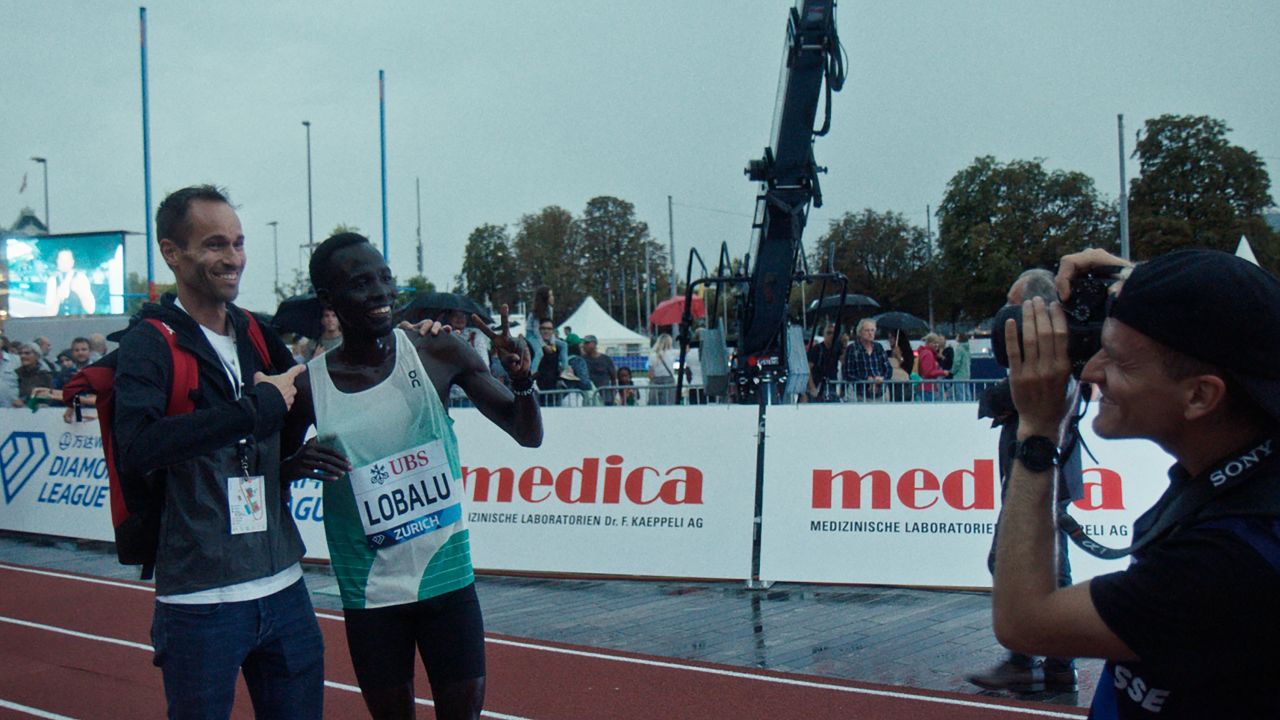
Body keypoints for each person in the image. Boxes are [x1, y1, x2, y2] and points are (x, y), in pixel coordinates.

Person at [993, 247, 1280, 717]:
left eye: (1119, 361)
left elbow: (1024, 621)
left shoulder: (1230, 560)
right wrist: (1142, 278)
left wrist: (1038, 432)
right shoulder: (1249, 470)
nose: (1090, 371)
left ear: (1201, 395)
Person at [287, 231, 542, 720]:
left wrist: (523, 380)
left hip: (447, 579)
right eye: (361, 283)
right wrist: (293, 464)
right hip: (371, 590)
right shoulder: (309, 386)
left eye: (385, 278)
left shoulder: (437, 353)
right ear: (329, 298)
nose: (381, 292)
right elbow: (269, 471)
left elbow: (526, 433)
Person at [113, 185, 323, 719]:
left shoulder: (254, 330)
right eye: (214, 245)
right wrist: (252, 409)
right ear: (172, 252)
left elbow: (293, 403)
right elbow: (137, 447)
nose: (233, 259)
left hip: (284, 587)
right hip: (202, 603)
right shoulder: (150, 343)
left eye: (238, 242)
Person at [970, 268, 1083, 694]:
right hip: (1035, 476)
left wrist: (1008, 404)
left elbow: (997, 400)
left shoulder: (1056, 364)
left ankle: (1035, 659)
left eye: (1013, 305)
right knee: (1046, 565)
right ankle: (1051, 662)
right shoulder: (1049, 364)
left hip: (1043, 478)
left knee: (1022, 562)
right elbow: (992, 402)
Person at [843, 319, 891, 401]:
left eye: (872, 330)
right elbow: (848, 373)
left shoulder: (879, 347)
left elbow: (888, 369)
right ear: (860, 332)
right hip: (859, 395)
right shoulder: (852, 348)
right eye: (867, 330)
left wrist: (882, 379)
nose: (870, 333)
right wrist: (866, 380)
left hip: (880, 393)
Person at [44, 248, 96, 315]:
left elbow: (91, 310)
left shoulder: (81, 278)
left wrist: (80, 293)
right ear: (57, 261)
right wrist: (57, 298)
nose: (64, 263)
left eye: (67, 260)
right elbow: (49, 313)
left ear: (72, 262)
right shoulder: (52, 281)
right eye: (61, 260)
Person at [533, 318, 568, 406]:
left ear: (553, 331)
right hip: (536, 391)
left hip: (553, 391)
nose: (546, 331)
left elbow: (560, 366)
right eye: (543, 328)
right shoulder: (532, 347)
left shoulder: (558, 347)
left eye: (549, 329)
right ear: (539, 330)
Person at [807, 323, 843, 402]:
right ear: (823, 334)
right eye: (829, 333)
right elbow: (808, 369)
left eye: (834, 333)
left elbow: (844, 361)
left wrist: (844, 345)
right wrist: (812, 387)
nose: (831, 335)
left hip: (832, 385)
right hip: (818, 386)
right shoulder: (817, 349)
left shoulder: (837, 348)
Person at [524, 285, 555, 372]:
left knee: (563, 345)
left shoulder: (550, 310)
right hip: (532, 335)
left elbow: (550, 327)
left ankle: (564, 370)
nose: (553, 297)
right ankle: (531, 374)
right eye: (551, 295)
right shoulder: (535, 312)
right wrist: (544, 345)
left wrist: (552, 342)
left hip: (545, 334)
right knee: (539, 353)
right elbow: (536, 331)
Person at [581, 335, 617, 406]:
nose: (584, 346)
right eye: (584, 344)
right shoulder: (581, 360)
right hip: (589, 396)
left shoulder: (606, 359)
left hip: (605, 396)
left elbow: (613, 378)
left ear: (594, 344)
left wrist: (613, 393)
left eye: (587, 343)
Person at [917, 333, 950, 400]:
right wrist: (942, 372)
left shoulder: (925, 352)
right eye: (935, 343)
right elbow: (928, 372)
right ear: (929, 343)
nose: (937, 345)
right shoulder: (928, 354)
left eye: (937, 343)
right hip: (928, 388)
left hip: (926, 387)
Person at [648, 333, 678, 405]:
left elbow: (650, 373)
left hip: (655, 381)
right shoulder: (672, 352)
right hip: (669, 380)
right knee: (669, 403)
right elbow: (686, 350)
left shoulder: (652, 355)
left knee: (654, 404)